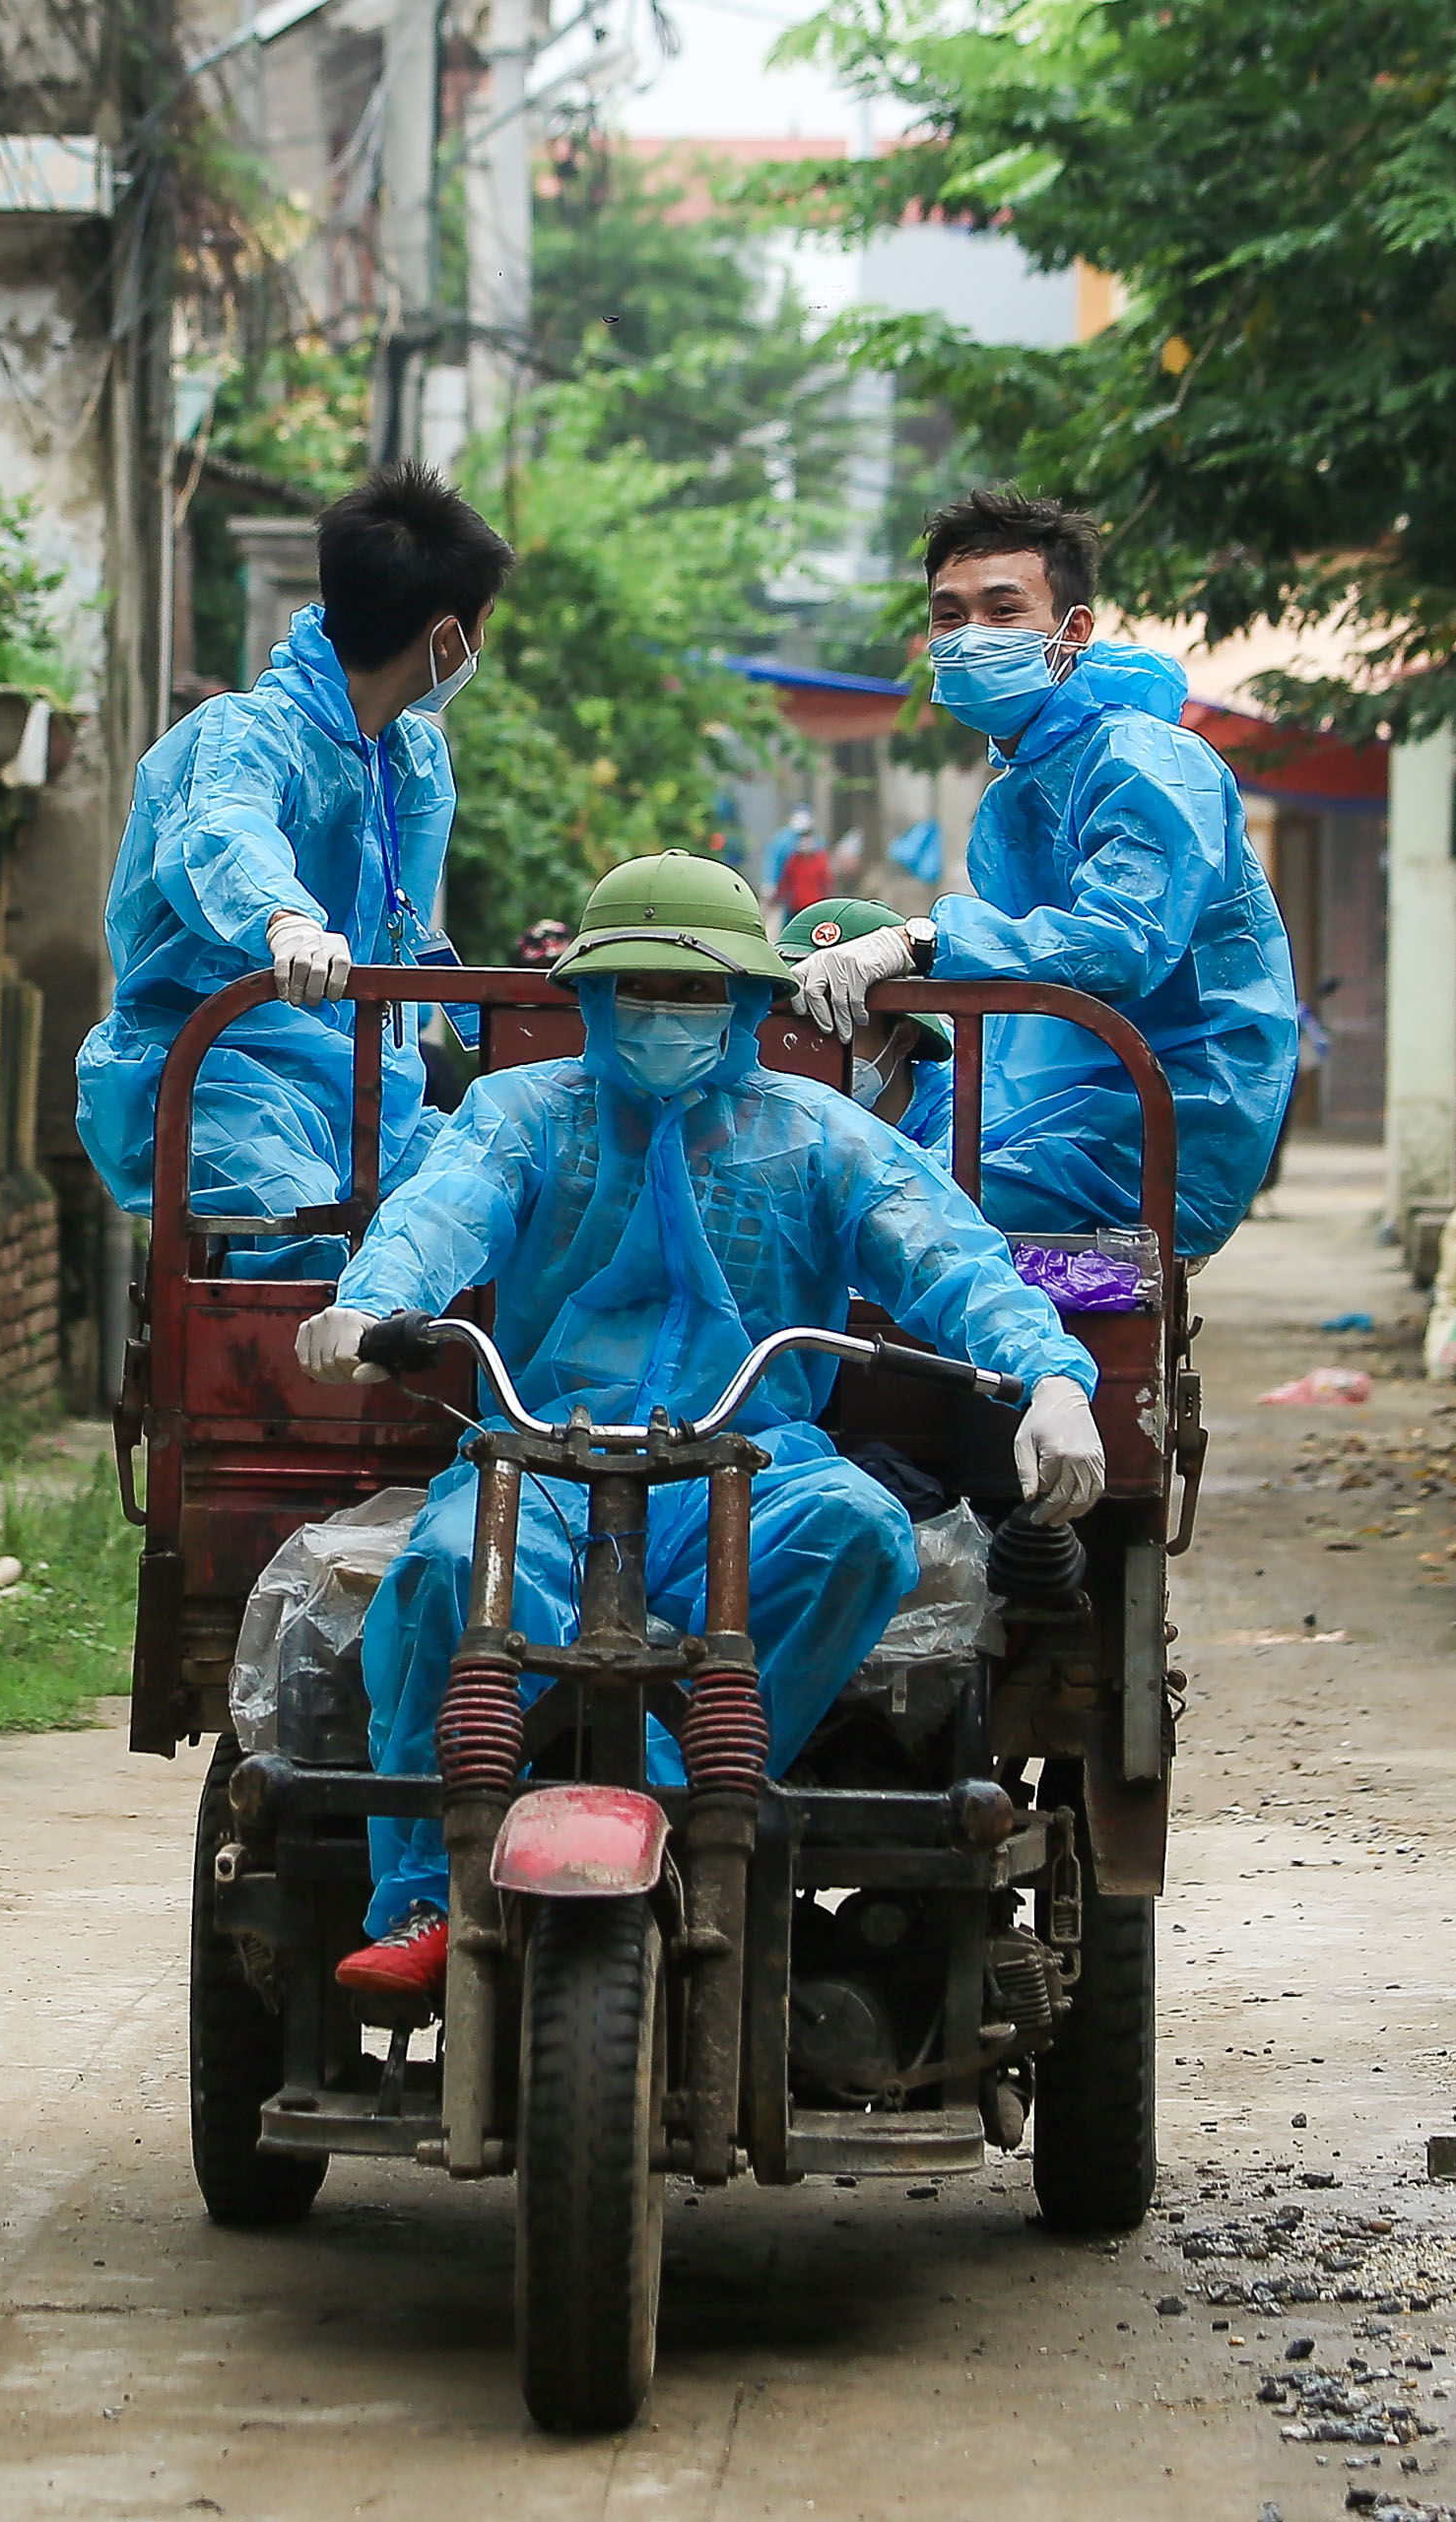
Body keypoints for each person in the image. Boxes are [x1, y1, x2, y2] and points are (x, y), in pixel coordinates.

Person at [296, 852, 1104, 1999]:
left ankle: (682, 1802)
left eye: (693, 992)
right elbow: (445, 1209)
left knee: (859, 1530)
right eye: (637, 987)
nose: (665, 1014)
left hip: (752, 1466)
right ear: (588, 995)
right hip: (540, 1459)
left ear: (744, 1002)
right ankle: (431, 1886)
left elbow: (948, 1258)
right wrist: (375, 1301)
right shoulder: (521, 1112)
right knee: (441, 1574)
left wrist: (1051, 1376)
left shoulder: (819, 1135)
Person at [787, 489, 1298, 1259]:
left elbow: (1120, 945)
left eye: (1003, 611)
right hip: (1058, 1097)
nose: (968, 638)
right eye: (949, 615)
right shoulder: (1032, 777)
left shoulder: (1142, 758)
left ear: (1073, 630)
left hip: (1152, 1119)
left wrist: (918, 942)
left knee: (861, 1212)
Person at [73, 464, 516, 1273]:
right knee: (307, 1255)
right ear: (448, 638)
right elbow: (221, 830)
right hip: (225, 1080)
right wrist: (285, 918)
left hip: (371, 1092)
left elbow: (401, 927)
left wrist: (518, 1038)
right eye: (481, 627)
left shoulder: (411, 761)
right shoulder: (248, 732)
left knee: (497, 1224)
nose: (475, 651)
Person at [777, 895, 951, 1151]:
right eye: (793, 1028)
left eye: (833, 1023)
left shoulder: (963, 1128)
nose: (809, 1047)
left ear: (903, 1039)